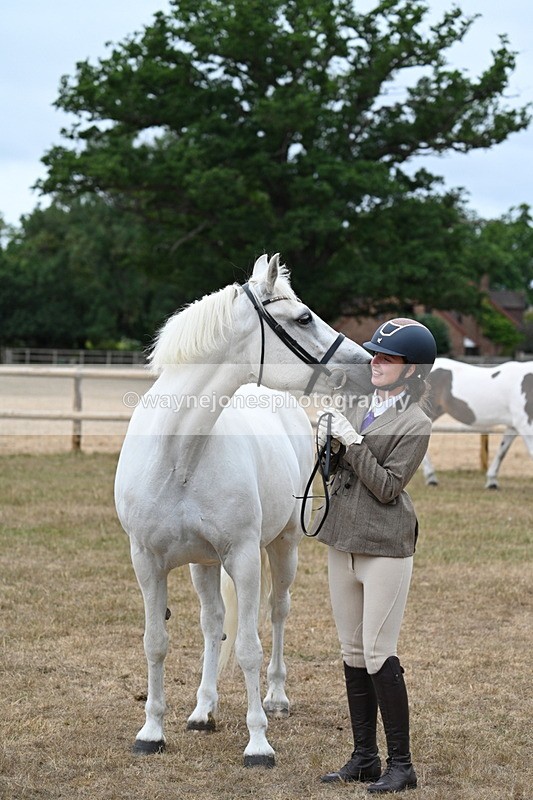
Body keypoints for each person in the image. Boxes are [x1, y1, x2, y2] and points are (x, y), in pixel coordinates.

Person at [314, 317, 437, 794]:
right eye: (375, 355)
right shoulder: (357, 404)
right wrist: (325, 444)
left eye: (387, 357)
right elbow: (333, 472)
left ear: (411, 369)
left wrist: (353, 441)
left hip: (384, 545)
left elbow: (387, 487)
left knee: (377, 652)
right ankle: (364, 757)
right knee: (350, 652)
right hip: (342, 540)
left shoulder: (416, 423)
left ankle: (401, 764)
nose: (376, 362)